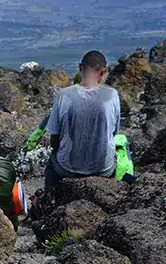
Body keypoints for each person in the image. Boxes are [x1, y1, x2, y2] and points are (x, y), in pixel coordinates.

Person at [44, 51, 123, 192]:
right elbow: (113, 133)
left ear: (80, 68)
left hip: (67, 169)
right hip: (103, 169)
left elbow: (54, 140)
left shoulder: (64, 95)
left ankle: (48, 197)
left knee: (52, 163)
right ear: (103, 71)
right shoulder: (112, 95)